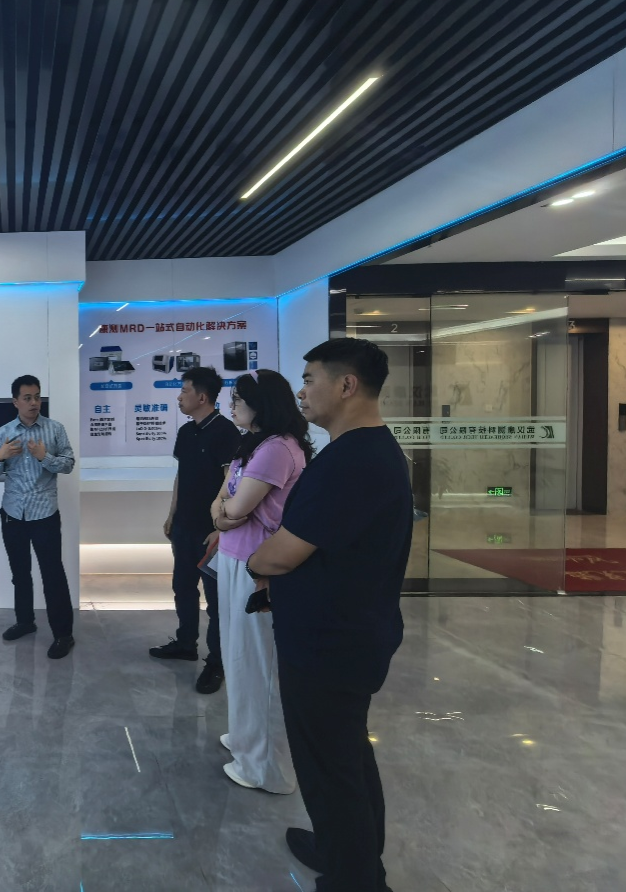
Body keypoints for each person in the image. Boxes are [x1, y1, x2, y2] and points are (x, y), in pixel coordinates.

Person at [245, 339, 412, 892]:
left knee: (331, 767)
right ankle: (344, 850)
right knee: (345, 756)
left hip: (329, 644)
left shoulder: (354, 461)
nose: (302, 391)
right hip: (345, 633)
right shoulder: (364, 452)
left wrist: (256, 561)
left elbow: (283, 553)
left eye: (310, 378)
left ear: (346, 385)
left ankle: (355, 878)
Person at [210, 369, 312, 794]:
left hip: (258, 567)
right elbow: (222, 503)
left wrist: (224, 514)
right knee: (237, 655)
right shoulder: (252, 444)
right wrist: (224, 516)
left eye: (238, 399)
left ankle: (263, 766)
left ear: (262, 404)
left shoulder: (276, 449)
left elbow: (235, 508)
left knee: (256, 664)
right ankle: (244, 738)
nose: (231, 405)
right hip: (236, 558)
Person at [149, 365, 240, 694]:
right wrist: (171, 514)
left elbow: (232, 483)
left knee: (216, 602)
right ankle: (186, 643)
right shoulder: (186, 432)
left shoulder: (226, 432)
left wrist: (221, 528)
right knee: (183, 587)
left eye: (184, 391)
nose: (179, 397)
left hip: (211, 533)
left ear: (202, 397)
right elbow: (182, 476)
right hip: (184, 527)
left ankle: (216, 663)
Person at [0, 375, 77, 659]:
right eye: (27, 398)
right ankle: (25, 621)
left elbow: (68, 465)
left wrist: (44, 457)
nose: (34, 403)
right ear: (15, 401)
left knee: (53, 575)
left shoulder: (54, 429)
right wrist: (0, 456)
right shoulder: (4, 432)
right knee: (20, 573)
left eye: (37, 397)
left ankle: (64, 634)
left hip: (44, 514)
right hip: (13, 513)